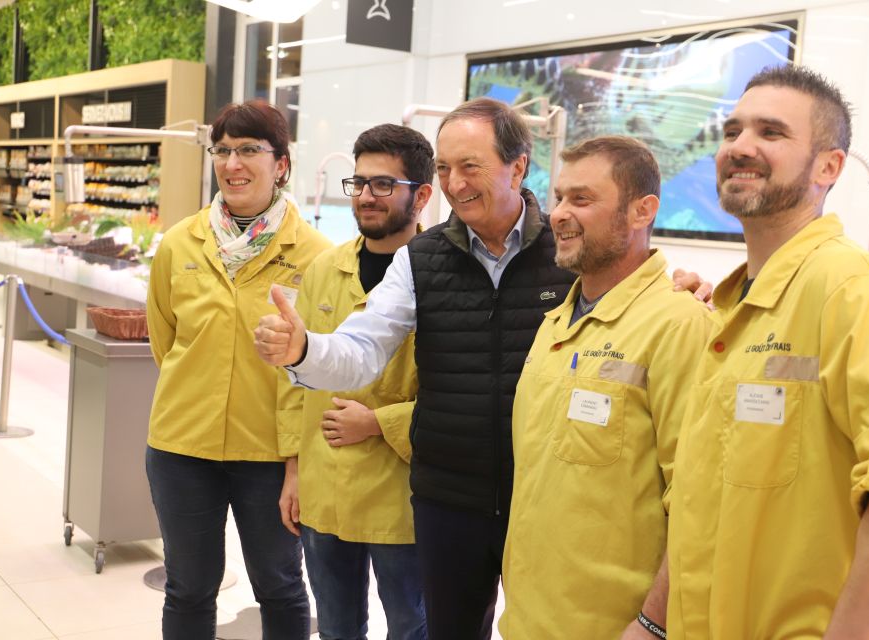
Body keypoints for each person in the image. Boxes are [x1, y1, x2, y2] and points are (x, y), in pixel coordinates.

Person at [255, 98, 710, 639]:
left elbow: (632, 287)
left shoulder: (570, 249)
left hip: (548, 497)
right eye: (444, 168)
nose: (454, 183)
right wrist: (305, 351)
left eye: (470, 166)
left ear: (518, 166)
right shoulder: (420, 259)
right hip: (449, 497)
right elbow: (362, 350)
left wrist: (687, 289)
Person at [666, 65, 869, 639]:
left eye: (771, 133)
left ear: (828, 167)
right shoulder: (735, 311)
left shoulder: (855, 291)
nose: (740, 146)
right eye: (732, 130)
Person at [498, 136, 712, 639]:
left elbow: (698, 503)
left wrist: (652, 623)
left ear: (643, 211)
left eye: (583, 200)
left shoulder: (679, 325)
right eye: (559, 198)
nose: (559, 215)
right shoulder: (556, 324)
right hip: (530, 618)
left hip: (616, 627)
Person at [145, 100, 330, 640]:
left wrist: (297, 463)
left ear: (282, 164)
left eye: (249, 149)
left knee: (280, 586)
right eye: (222, 151)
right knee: (188, 587)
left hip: (270, 455)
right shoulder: (180, 242)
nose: (233, 164)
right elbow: (167, 342)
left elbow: (316, 370)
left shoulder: (315, 255)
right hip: (182, 449)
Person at [280, 123, 432, 639]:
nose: (366, 196)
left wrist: (379, 423)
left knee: (412, 625)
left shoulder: (442, 278)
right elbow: (292, 383)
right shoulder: (326, 269)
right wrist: (293, 471)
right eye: (359, 183)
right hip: (325, 489)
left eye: (384, 184)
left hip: (401, 498)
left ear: (422, 195)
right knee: (338, 627)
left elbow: (463, 393)